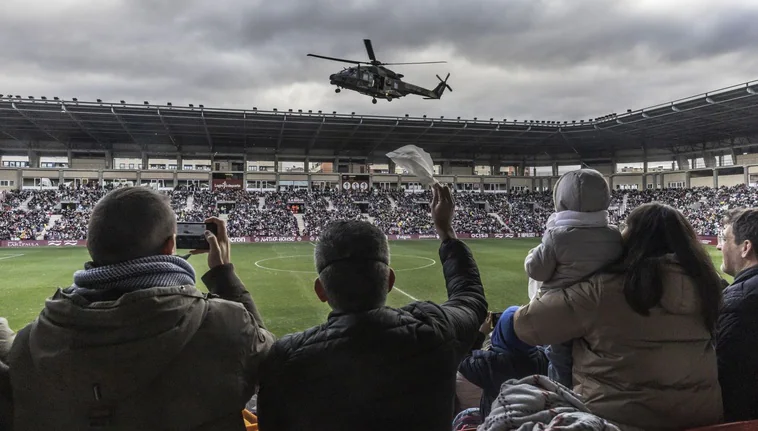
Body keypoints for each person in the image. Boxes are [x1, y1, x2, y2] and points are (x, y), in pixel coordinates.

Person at [6, 186, 275, 430]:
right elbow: (270, 362)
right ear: (170, 245)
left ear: (91, 247)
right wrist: (223, 275)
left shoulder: (28, 344)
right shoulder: (224, 324)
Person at [256, 183, 487, 431]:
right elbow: (471, 299)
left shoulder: (287, 359)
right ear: (389, 281)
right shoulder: (434, 331)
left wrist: (224, 276)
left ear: (320, 290)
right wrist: (445, 231)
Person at [514, 202, 723, 430]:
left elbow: (526, 325)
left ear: (634, 238)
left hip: (616, 423)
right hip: (700, 420)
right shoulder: (710, 287)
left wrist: (558, 282)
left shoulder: (605, 289)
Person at [523, 168, 622, 387]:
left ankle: (563, 403)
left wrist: (533, 253)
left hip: (563, 312)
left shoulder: (556, 235)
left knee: (560, 363)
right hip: (601, 313)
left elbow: (537, 270)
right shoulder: (615, 235)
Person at [716, 208, 758, 422]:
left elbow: (728, 379)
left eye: (724, 239)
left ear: (746, 247)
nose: (718, 245)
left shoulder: (739, 303)